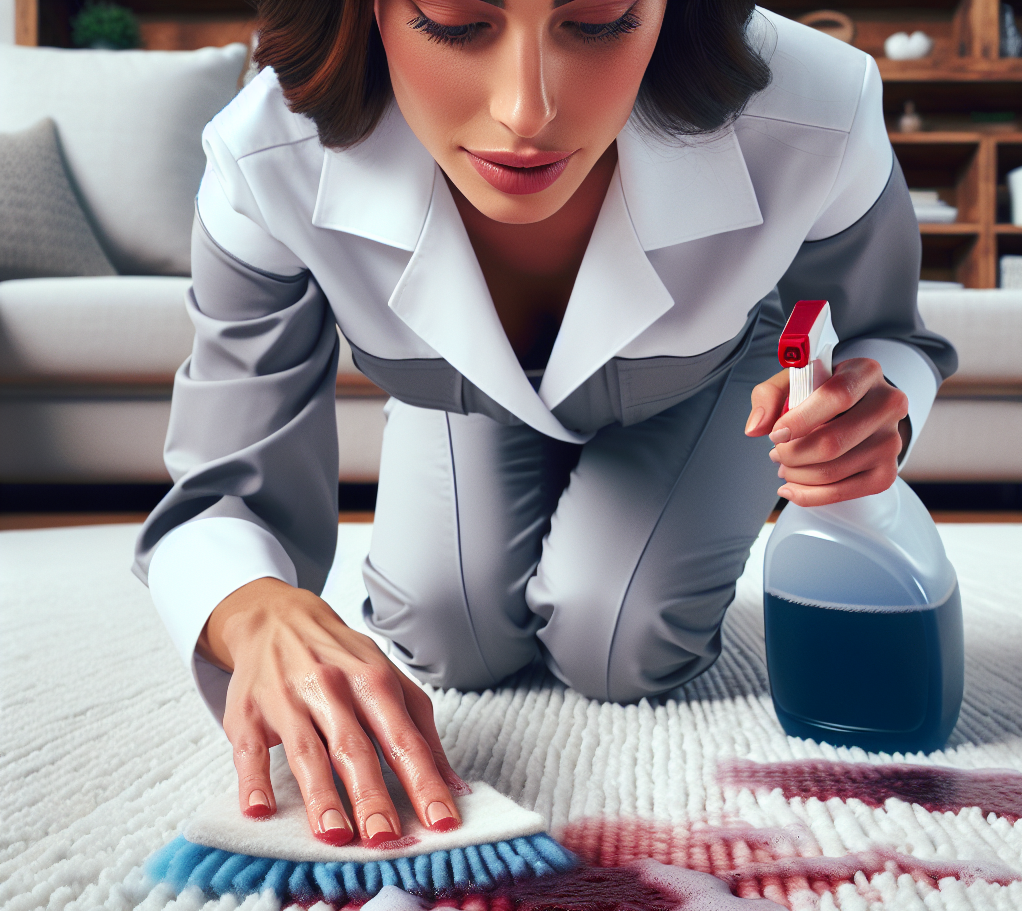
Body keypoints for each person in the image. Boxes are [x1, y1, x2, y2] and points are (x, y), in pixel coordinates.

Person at [134, 0, 955, 849]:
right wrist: (252, 608)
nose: (526, 112)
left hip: (706, 385)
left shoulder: (815, 104)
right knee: (444, 636)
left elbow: (883, 335)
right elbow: (223, 476)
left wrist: (864, 414)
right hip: (469, 394)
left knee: (625, 645)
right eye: (454, 23)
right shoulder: (265, 151)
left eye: (599, 22)